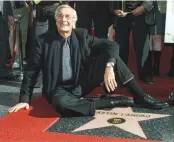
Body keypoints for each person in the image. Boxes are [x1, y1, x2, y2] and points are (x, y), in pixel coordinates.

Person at [9, 5, 169, 117]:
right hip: (59, 90)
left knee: (112, 57)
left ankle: (140, 96)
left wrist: (109, 66)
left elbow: (111, 44)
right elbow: (31, 71)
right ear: (56, 20)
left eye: (68, 17)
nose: (64, 19)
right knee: (62, 105)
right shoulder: (43, 41)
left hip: (81, 83)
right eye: (60, 16)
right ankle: (109, 103)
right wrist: (24, 99)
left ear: (74, 21)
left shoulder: (81, 35)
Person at [110, 1, 155, 84]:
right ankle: (121, 75)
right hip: (121, 12)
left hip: (141, 11)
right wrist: (114, 9)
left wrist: (144, 7)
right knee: (121, 45)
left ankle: (145, 74)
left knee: (142, 45)